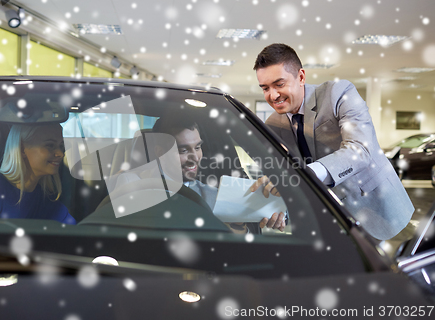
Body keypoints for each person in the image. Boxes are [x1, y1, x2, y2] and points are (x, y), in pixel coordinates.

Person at [251, 43, 414, 240]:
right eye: (265, 88)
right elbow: (284, 177)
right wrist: (278, 206)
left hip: (381, 215)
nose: (273, 95)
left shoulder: (339, 93)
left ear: (301, 77)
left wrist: (305, 175)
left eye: (279, 84)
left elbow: (360, 149)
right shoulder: (272, 125)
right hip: (330, 227)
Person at [150, 117, 286, 233]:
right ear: (160, 152)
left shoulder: (215, 197)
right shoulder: (133, 189)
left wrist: (276, 203)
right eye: (183, 150)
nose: (195, 158)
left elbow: (236, 241)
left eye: (197, 148)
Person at [0, 123, 76, 224]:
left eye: (61, 146)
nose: (60, 153)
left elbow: (75, 235)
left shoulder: (45, 200)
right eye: (50, 145)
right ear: (21, 148)